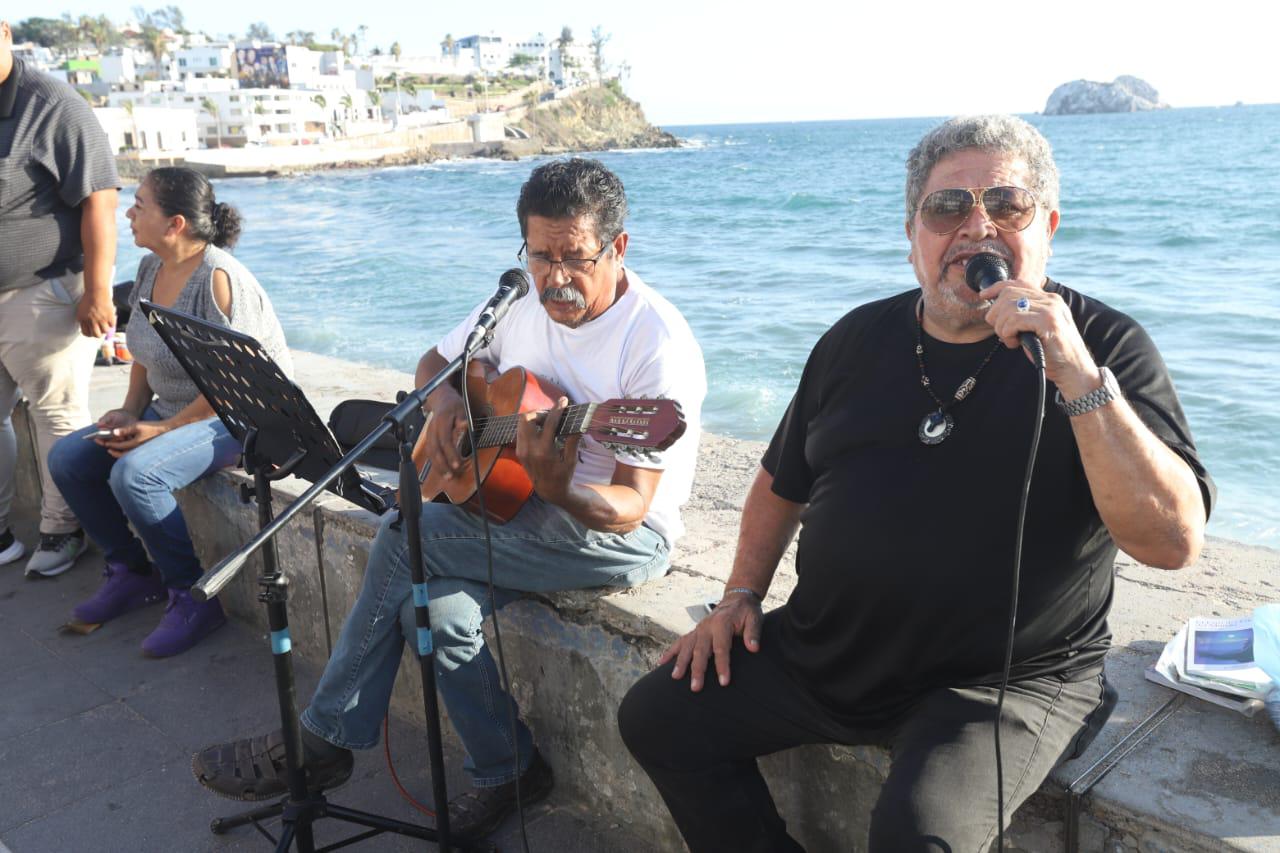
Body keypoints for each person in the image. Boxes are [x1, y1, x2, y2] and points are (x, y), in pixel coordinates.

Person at [618, 115, 1215, 852]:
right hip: (827, 651)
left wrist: (1078, 377)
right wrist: (739, 595)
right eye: (947, 208)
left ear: (1048, 226)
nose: (977, 226)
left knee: (916, 837)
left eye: (1007, 205)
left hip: (1000, 684)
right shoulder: (854, 340)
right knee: (659, 717)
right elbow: (780, 483)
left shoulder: (1105, 347)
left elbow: (1172, 544)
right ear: (913, 238)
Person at [193, 158, 706, 840]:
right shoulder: (522, 302)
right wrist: (444, 405)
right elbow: (437, 362)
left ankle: (322, 739)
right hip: (520, 503)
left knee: (414, 530)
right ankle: (510, 767)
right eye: (540, 254)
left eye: (575, 258)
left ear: (618, 247)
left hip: (615, 529)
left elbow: (633, 505)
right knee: (430, 605)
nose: (555, 276)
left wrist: (558, 484)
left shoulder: (655, 343)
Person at [46, 167, 292, 657]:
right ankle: (134, 573)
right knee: (69, 460)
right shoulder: (150, 269)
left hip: (239, 416)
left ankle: (193, 596)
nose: (129, 214)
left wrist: (159, 429)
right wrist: (130, 410)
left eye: (139, 205)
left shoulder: (219, 279)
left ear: (175, 223)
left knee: (135, 476)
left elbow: (232, 385)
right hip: (175, 408)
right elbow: (144, 351)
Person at [0, 19, 118, 576]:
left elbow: (99, 198)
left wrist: (97, 291)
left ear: (3, 33)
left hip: (42, 291)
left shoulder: (52, 103)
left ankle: (61, 530)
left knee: (58, 416)